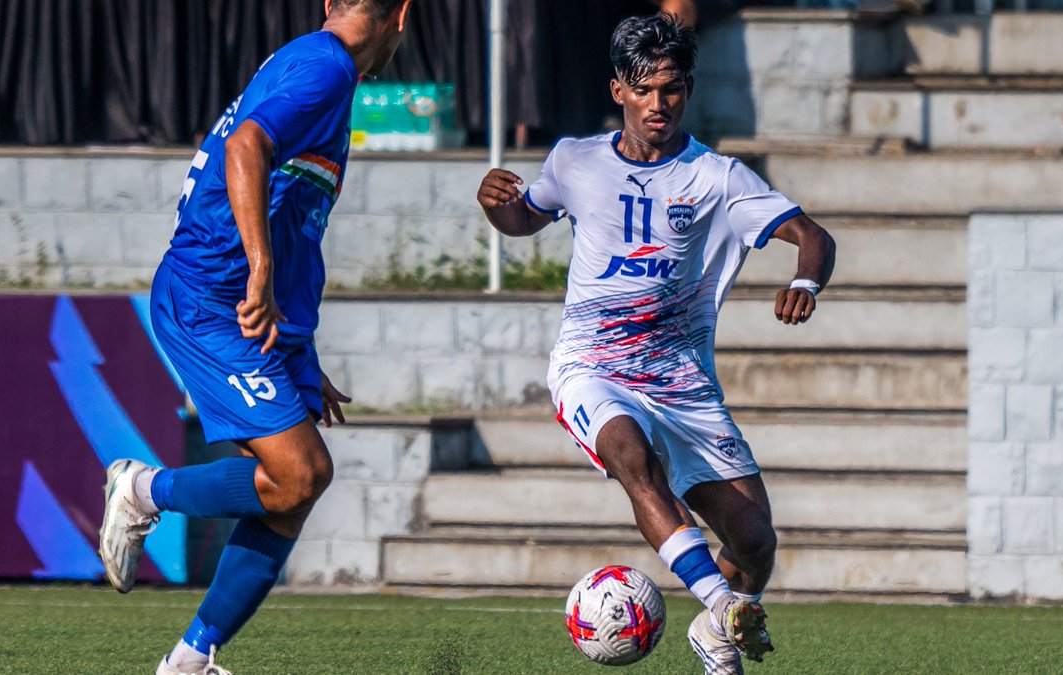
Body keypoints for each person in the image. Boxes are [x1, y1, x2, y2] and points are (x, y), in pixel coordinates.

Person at [476, 13, 835, 675]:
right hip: (592, 363)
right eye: (644, 89)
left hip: (679, 377)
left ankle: (714, 631)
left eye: (670, 89)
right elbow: (523, 216)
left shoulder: (718, 177)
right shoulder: (574, 160)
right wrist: (496, 201)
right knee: (630, 455)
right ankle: (721, 603)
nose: (657, 103)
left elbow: (814, 236)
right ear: (619, 91)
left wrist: (806, 279)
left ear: (687, 90)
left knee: (755, 540)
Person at [97, 1, 412, 673]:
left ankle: (191, 658)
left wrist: (301, 345)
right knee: (301, 472)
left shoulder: (314, 63)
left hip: (253, 312)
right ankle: (143, 489)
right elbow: (246, 149)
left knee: (293, 490)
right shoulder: (324, 70)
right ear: (403, 16)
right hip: (212, 298)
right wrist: (260, 270)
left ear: (330, 3)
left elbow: (289, 205)